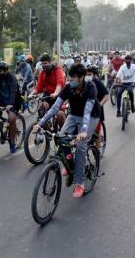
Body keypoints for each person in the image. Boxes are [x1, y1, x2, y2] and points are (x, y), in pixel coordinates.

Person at [34, 64, 101, 198]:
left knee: (81, 146)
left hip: (91, 117)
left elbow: (87, 112)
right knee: (60, 137)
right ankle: (70, 163)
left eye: (75, 78)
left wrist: (83, 131)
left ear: (82, 77)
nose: (71, 81)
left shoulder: (90, 88)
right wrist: (40, 123)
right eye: (70, 78)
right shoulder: (68, 87)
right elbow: (54, 108)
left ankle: (80, 182)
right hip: (74, 115)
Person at [29, 53, 66, 127]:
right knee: (42, 109)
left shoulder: (57, 70)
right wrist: (31, 94)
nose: (43, 65)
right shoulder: (42, 73)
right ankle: (45, 131)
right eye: (42, 64)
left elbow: (60, 83)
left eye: (45, 63)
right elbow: (38, 88)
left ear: (50, 62)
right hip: (48, 94)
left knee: (60, 114)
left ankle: (63, 133)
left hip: (59, 94)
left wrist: (55, 93)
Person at [86, 65, 109, 149]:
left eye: (89, 74)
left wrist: (99, 104)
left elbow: (106, 96)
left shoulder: (98, 83)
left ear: (94, 75)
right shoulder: (84, 83)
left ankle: (98, 153)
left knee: (96, 131)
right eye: (86, 74)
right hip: (86, 109)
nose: (87, 76)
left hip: (97, 111)